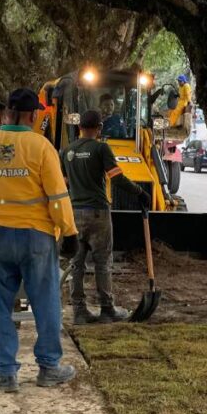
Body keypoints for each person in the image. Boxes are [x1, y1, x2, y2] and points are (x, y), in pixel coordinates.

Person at [0, 88, 80, 392]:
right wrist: (69, 231)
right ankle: (49, 367)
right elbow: (57, 196)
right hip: (35, 237)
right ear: (32, 116)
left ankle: (6, 373)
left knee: (1, 304)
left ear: (6, 113)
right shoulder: (41, 147)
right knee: (45, 302)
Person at [61, 110, 151, 324]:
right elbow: (117, 178)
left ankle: (80, 311)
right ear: (99, 128)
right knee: (102, 262)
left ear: (79, 127)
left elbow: (64, 182)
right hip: (98, 213)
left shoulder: (67, 151)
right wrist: (140, 192)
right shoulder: (101, 148)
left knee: (77, 263)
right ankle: (107, 308)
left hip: (74, 213)